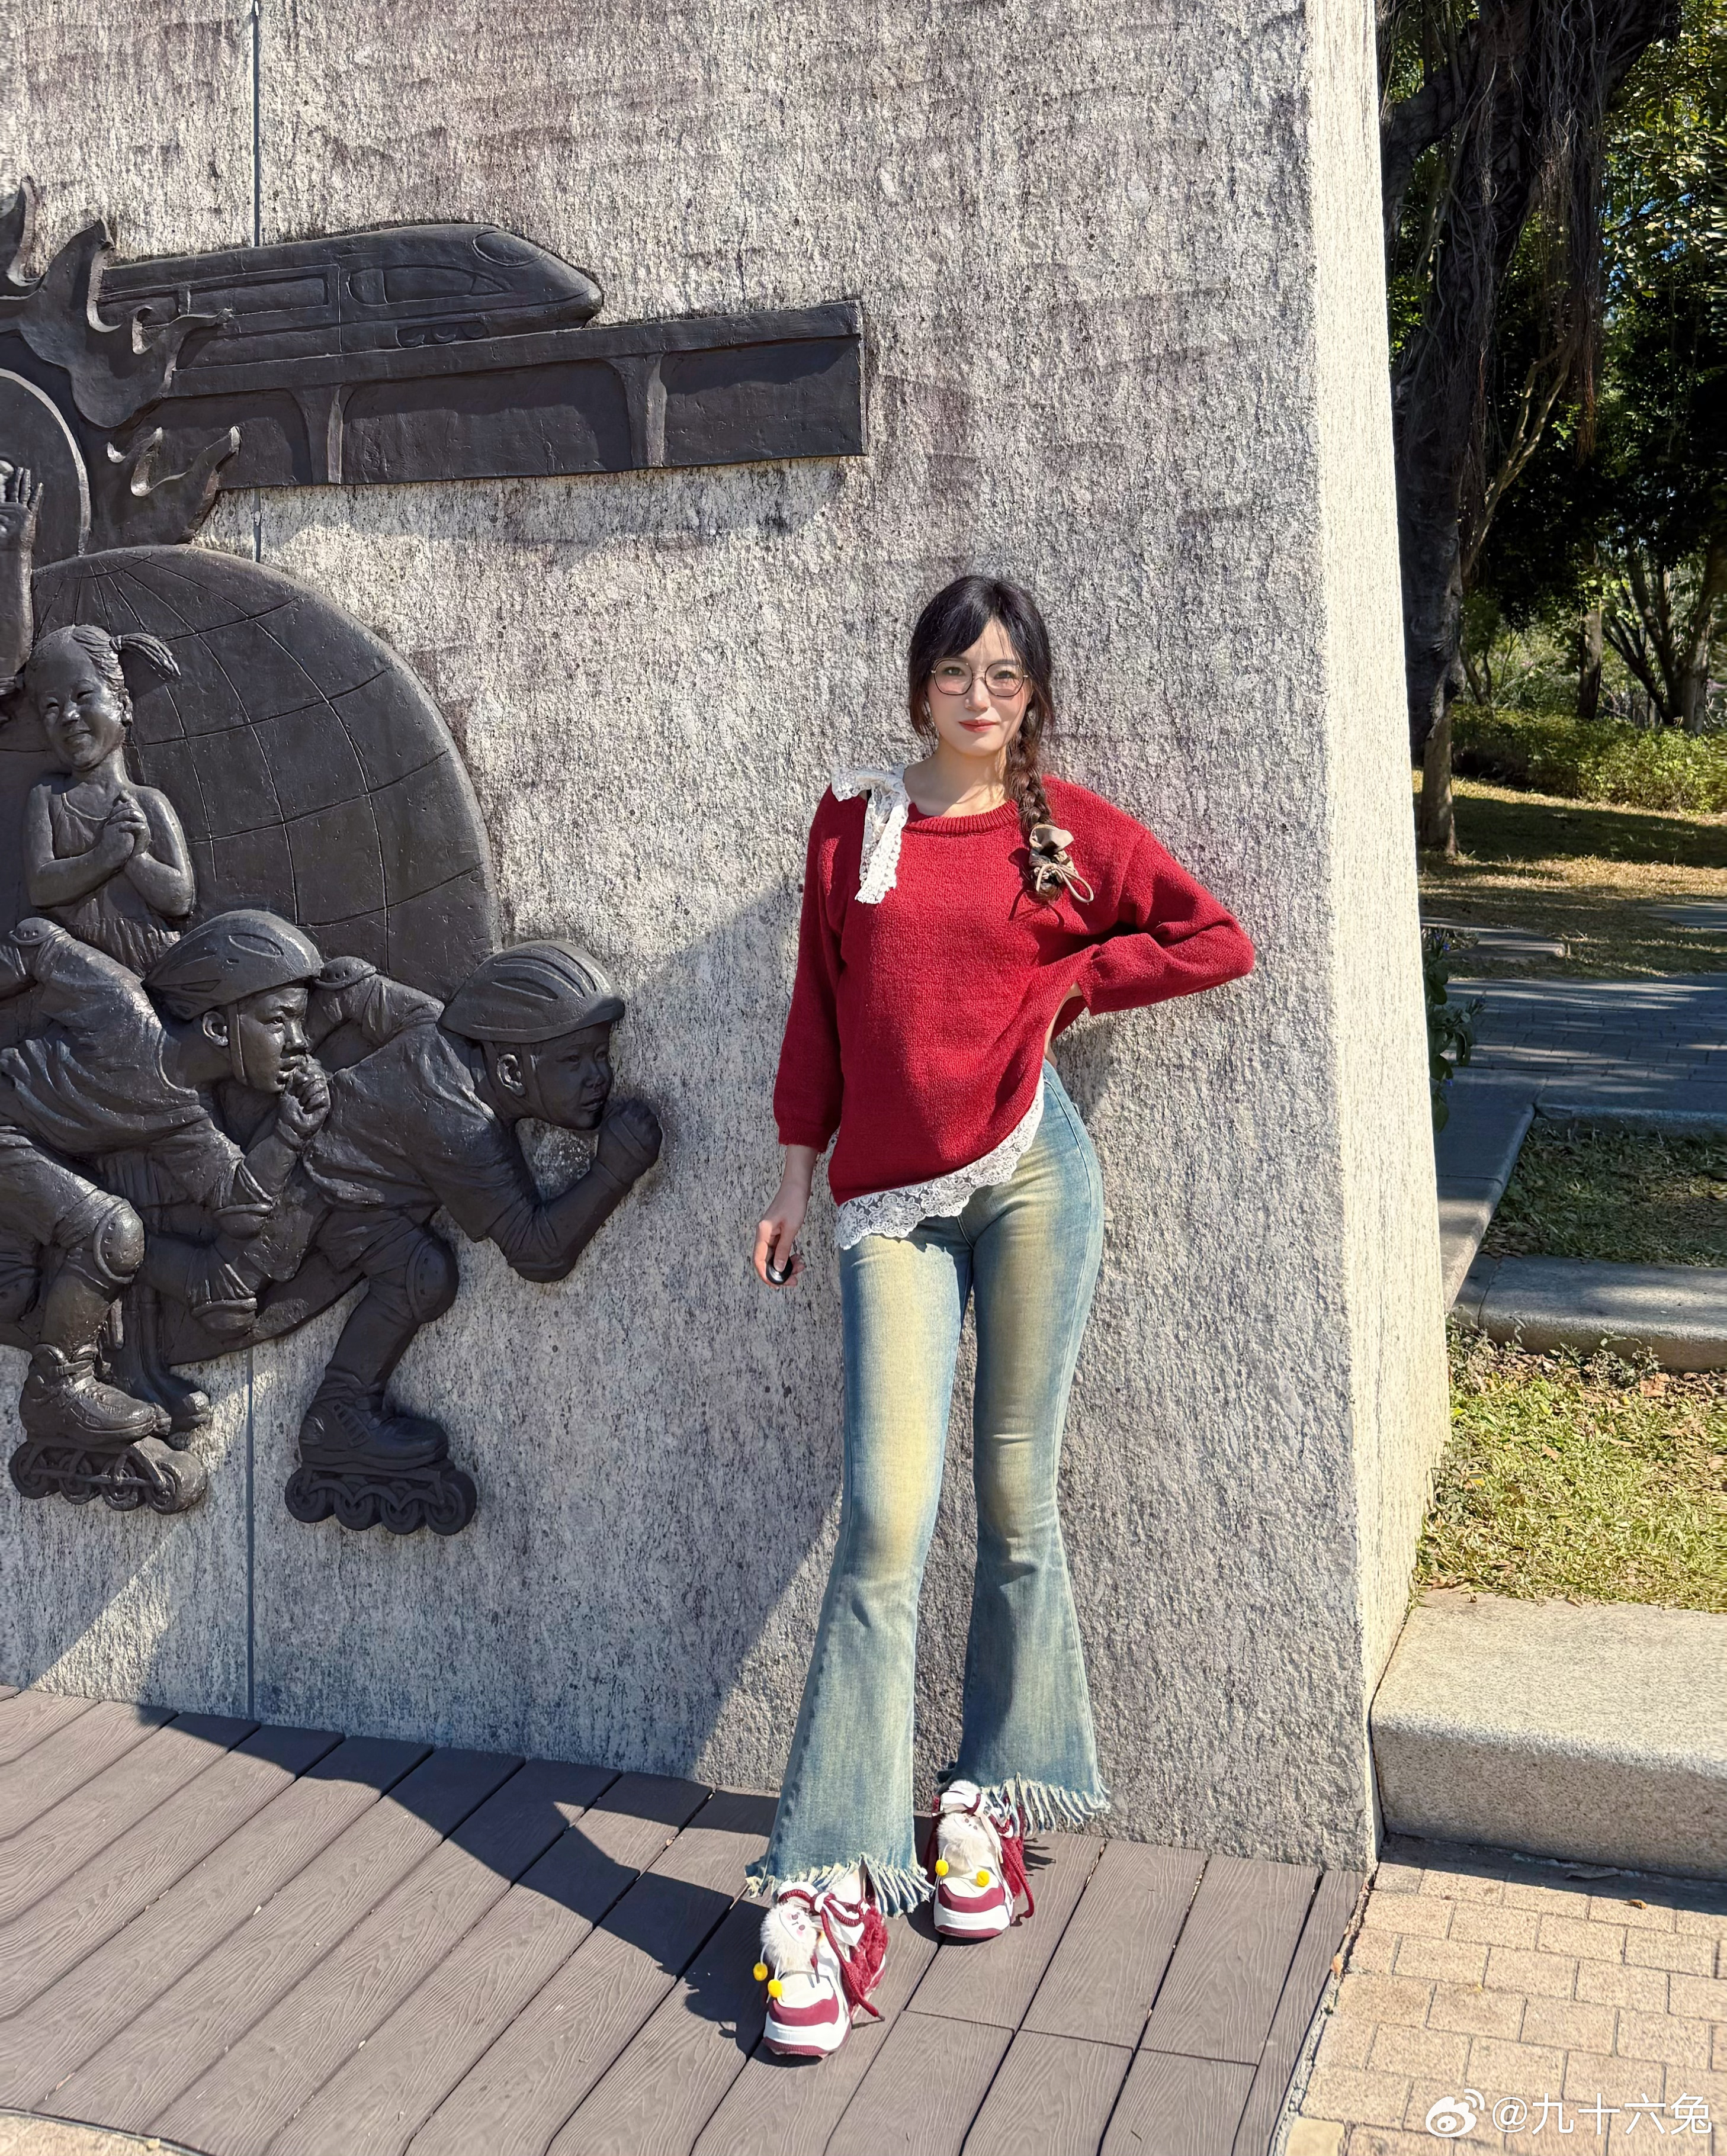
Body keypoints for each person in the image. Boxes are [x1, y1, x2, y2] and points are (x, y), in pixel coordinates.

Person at [746, 575, 1253, 2059]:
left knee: (1019, 1496)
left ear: (1033, 695)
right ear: (918, 685)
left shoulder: (1065, 834)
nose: (981, 695)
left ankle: (984, 1798)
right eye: (957, 671)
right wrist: (793, 1179)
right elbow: (817, 1013)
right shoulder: (852, 824)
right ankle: (831, 1875)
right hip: (887, 1209)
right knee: (884, 1524)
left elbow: (1213, 936)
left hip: (1036, 1180)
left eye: (1007, 675)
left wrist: (1079, 979)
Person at [202, 938, 662, 1477]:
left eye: (600, 1055)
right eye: (573, 1061)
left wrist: (302, 1061)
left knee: (423, 1275)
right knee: (229, 1293)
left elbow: (352, 986)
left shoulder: (430, 1022)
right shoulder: (467, 1130)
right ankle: (331, 1411)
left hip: (354, 1192)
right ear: (511, 1073)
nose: (598, 1077)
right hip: (306, 1197)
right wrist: (612, 1174)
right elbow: (538, 1253)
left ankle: (335, 1418)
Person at [0, 910, 329, 1446]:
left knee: (14, 1299)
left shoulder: (185, 1117)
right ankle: (54, 1394)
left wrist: (289, 1133)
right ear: (218, 1027)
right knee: (111, 1231)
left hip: (29, 1167)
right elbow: (36, 942)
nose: (298, 1042)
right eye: (278, 1020)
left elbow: (237, 1206)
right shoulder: (122, 1009)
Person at [20, 624, 195, 973]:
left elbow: (179, 898)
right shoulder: (47, 798)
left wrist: (136, 858)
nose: (69, 715)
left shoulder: (147, 802)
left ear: (123, 705)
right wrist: (105, 856)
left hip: (153, 956)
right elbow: (41, 888)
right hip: (78, 966)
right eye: (51, 707)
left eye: (83, 695)